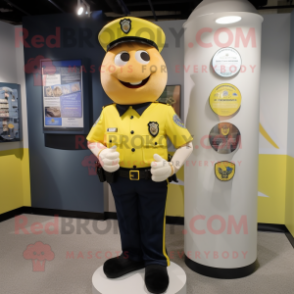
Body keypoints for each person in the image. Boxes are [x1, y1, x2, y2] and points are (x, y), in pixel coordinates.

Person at [87, 16, 193, 294]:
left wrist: (171, 167)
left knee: (152, 219)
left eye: (143, 56)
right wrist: (100, 154)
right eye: (122, 58)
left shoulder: (165, 112)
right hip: (119, 180)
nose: (132, 67)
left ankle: (155, 260)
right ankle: (131, 256)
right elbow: (92, 140)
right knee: (126, 218)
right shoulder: (107, 112)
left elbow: (187, 144)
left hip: (152, 178)